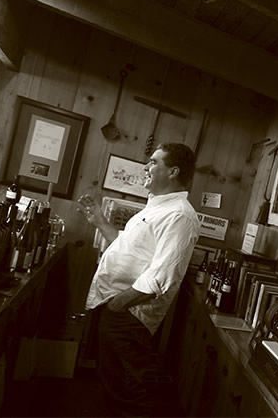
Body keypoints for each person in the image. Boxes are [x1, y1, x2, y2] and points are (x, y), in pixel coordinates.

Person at [78, 143, 200, 416]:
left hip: (129, 314)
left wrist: (118, 305)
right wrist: (100, 222)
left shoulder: (179, 215)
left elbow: (162, 276)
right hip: (117, 308)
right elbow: (128, 249)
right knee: (113, 383)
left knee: (125, 392)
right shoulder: (155, 208)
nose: (146, 167)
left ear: (173, 171)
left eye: (154, 162)